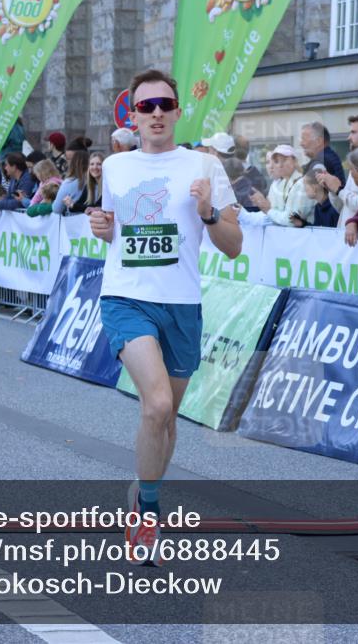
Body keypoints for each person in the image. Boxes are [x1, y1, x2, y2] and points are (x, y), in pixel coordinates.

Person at [87, 68, 241, 566]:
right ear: (132, 115)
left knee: (167, 417)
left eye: (164, 105)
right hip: (126, 297)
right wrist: (100, 226)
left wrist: (209, 212)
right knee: (154, 405)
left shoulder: (205, 166)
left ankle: (142, 489)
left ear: (178, 111)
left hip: (182, 304)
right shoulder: (116, 167)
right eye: (146, 106)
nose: (156, 113)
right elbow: (111, 232)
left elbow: (234, 248)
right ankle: (148, 511)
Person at [249, 144, 311, 227]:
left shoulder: (302, 184)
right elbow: (274, 215)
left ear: (294, 161)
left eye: (285, 160)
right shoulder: (282, 184)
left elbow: (291, 221)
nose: (280, 165)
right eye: (277, 161)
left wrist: (267, 209)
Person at [298, 122, 345, 186]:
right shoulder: (328, 157)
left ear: (319, 141)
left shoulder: (323, 160)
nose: (301, 144)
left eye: (304, 139)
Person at [52, 149, 89, 215]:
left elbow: (57, 209)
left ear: (73, 163)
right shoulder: (96, 181)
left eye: (69, 159)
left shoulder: (69, 183)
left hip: (73, 221)